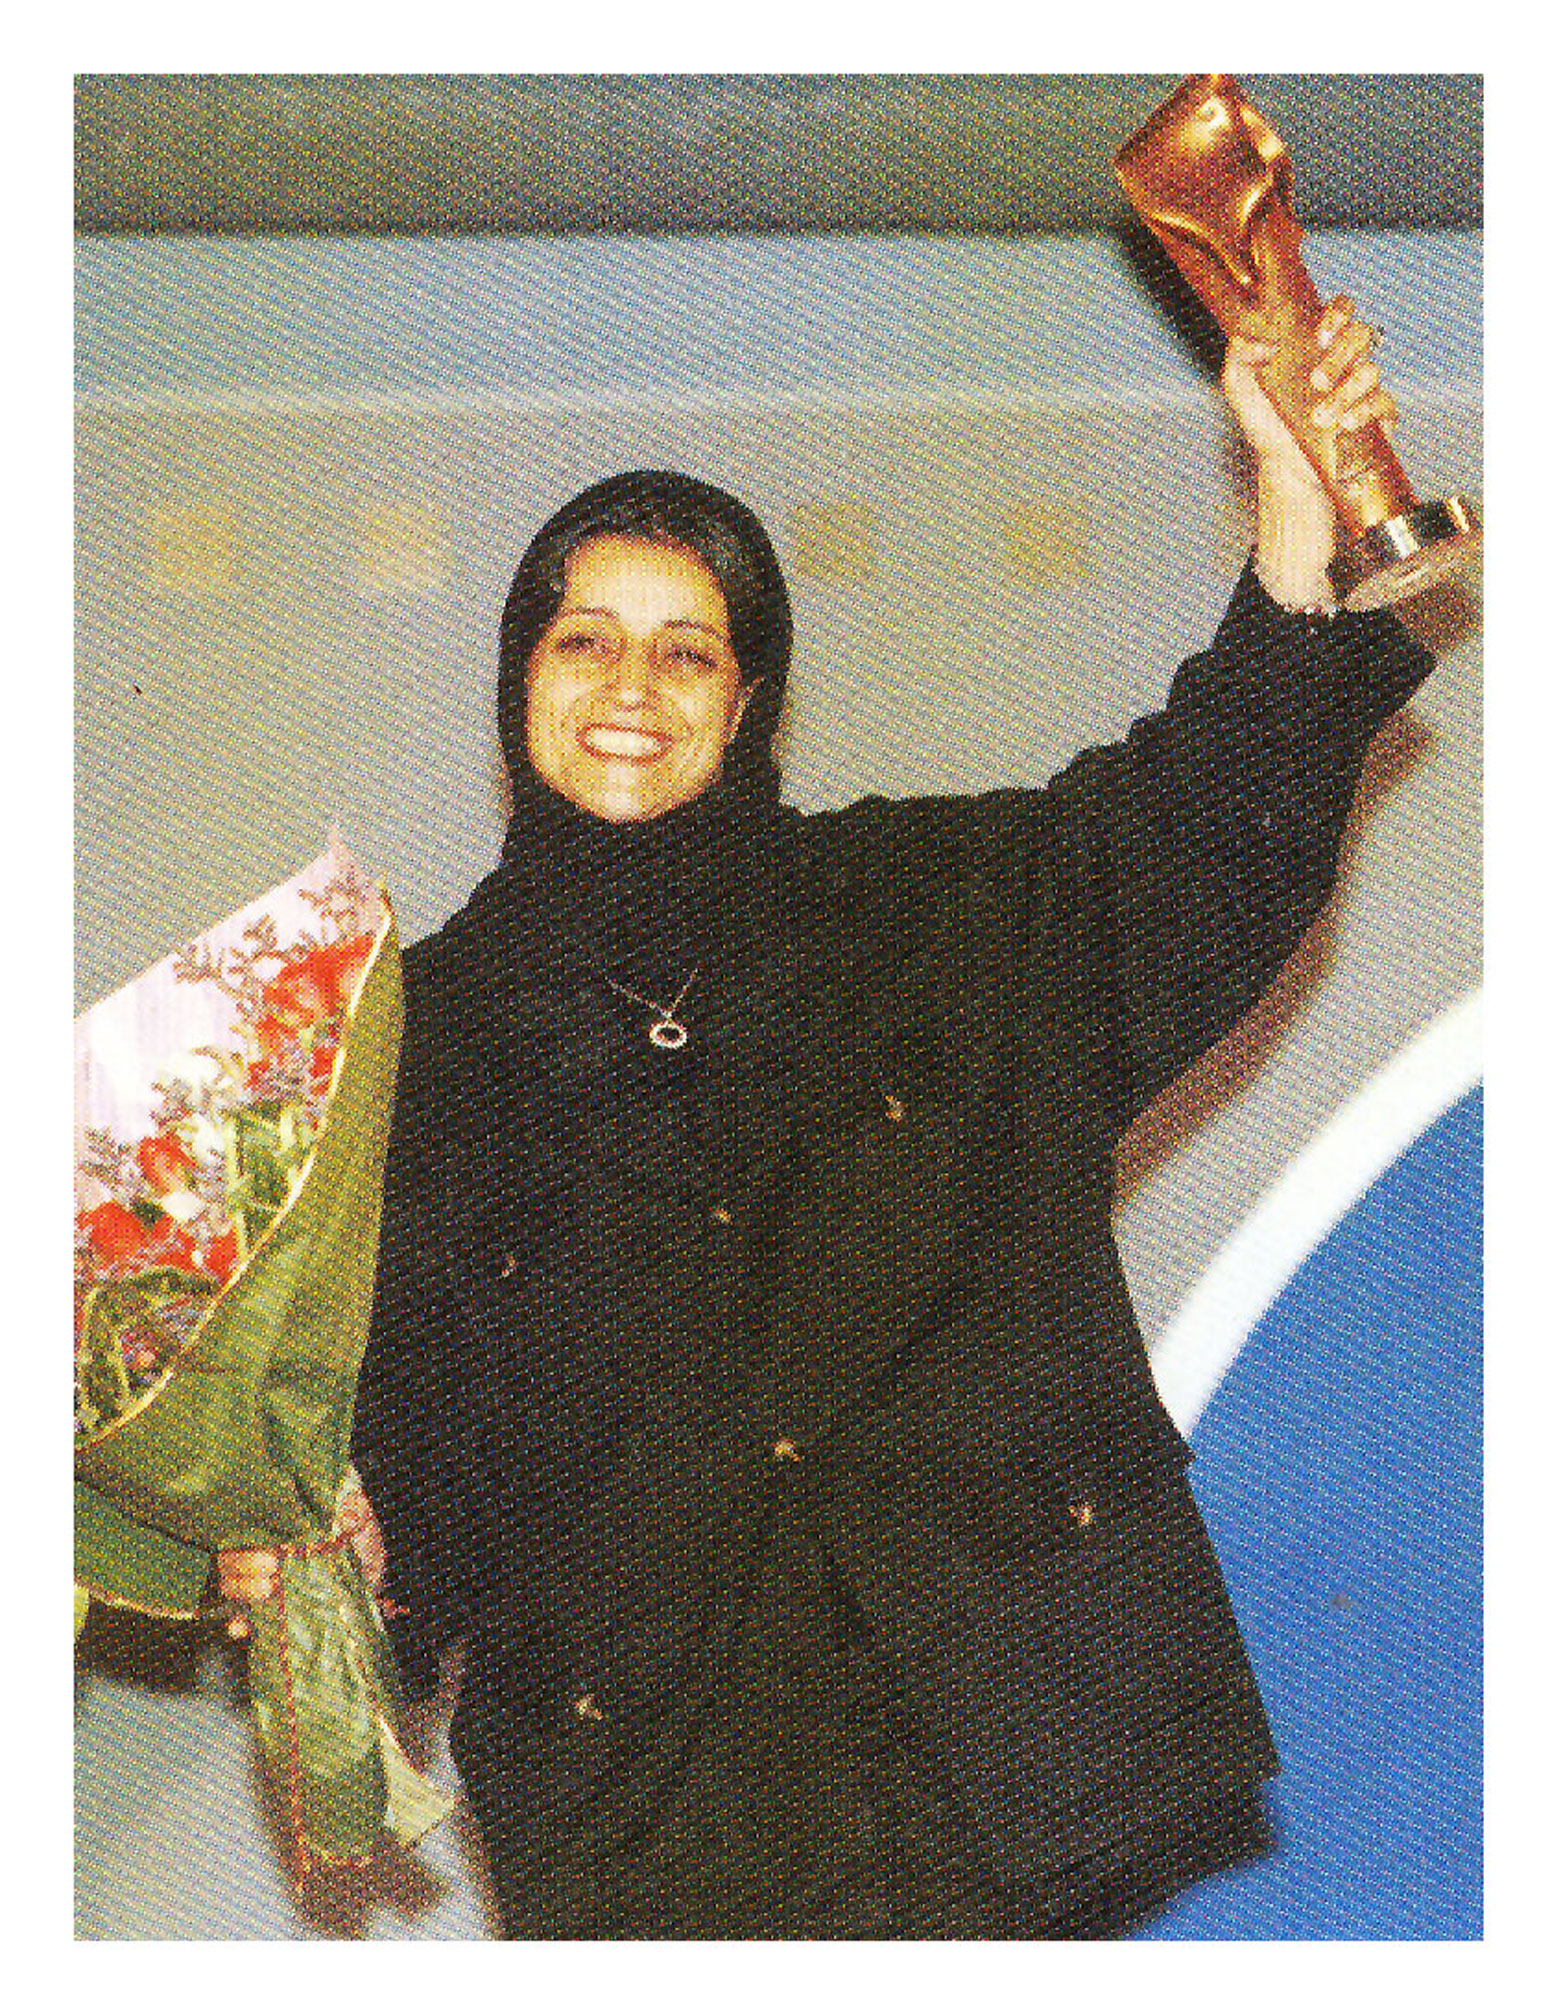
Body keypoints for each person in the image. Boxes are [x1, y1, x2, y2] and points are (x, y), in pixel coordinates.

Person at [220, 306, 1433, 1937]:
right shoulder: (396, 1049)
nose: (629, 687)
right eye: (582, 640)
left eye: (685, 647)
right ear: (520, 683)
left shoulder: (924, 907)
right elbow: (420, 1450)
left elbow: (1197, 823)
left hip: (987, 1783)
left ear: (748, 701)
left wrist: (1293, 504)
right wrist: (342, 1563)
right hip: (643, 1811)